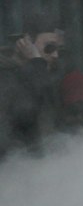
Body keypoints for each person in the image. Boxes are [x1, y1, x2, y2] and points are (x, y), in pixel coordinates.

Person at [0, 11, 65, 159]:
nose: (56, 55)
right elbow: (25, 111)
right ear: (26, 43)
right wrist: (36, 61)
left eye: (58, 49)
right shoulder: (5, 75)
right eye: (49, 47)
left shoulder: (39, 76)